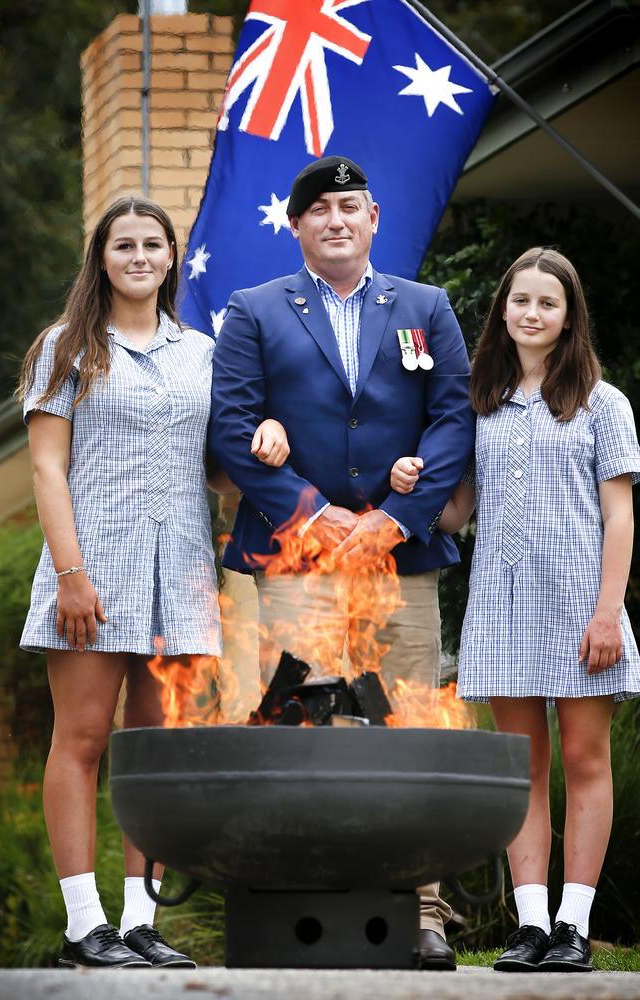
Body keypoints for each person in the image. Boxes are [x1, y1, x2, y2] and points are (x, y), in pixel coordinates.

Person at [209, 155, 475, 970]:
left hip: (403, 557)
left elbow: (454, 417)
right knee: (312, 725)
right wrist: (316, 515)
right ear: (296, 227)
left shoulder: (425, 307)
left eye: (350, 206)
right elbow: (232, 426)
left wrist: (396, 519)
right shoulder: (255, 310)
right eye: (319, 209)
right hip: (299, 560)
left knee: (413, 723)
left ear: (373, 219)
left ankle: (424, 914)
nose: (335, 219)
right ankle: (313, 903)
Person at [16, 195, 288, 969]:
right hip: (92, 566)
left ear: (172, 258)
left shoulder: (201, 353)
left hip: (182, 572)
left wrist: (266, 436)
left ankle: (140, 922)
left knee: (154, 750)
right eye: (123, 245)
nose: (139, 257)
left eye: (152, 245)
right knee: (83, 740)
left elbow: (216, 464)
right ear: (101, 258)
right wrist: (71, 573)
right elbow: (45, 467)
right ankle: (82, 926)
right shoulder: (66, 347)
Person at [390, 247, 640, 973]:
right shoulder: (481, 401)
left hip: (582, 605)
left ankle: (573, 925)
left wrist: (607, 612)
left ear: (569, 318)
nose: (532, 313)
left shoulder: (604, 402)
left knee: (586, 760)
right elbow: (459, 509)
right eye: (521, 300)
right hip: (502, 610)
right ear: (503, 308)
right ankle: (531, 927)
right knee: (522, 768)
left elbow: (620, 519)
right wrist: (413, 482)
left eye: (547, 303)